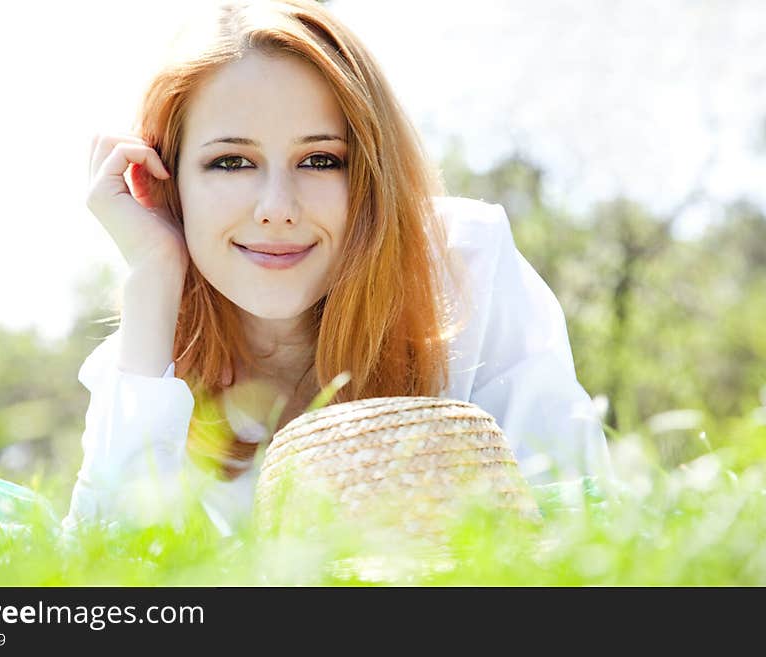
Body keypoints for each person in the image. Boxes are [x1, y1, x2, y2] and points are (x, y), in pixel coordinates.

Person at [66, 0, 612, 536]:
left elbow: (579, 521)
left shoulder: (464, 266)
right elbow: (102, 580)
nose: (276, 207)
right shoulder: (145, 356)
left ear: (371, 173)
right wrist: (153, 272)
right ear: (170, 181)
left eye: (320, 160)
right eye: (231, 162)